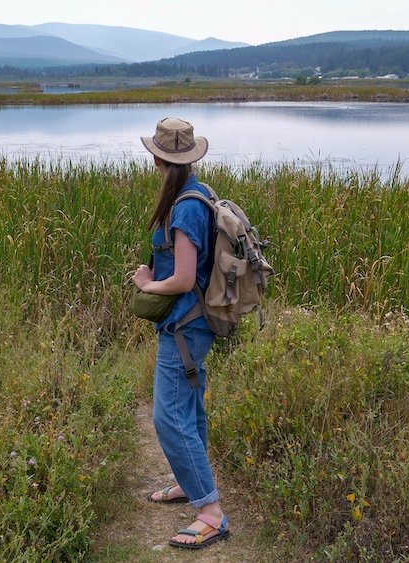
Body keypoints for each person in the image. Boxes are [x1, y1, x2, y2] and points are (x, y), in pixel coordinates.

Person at [131, 117, 229, 549]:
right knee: (188, 410)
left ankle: (210, 512)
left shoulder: (186, 206)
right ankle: (191, 486)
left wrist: (148, 284)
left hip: (186, 325)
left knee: (168, 416)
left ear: (157, 156)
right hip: (195, 323)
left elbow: (186, 278)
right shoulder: (200, 191)